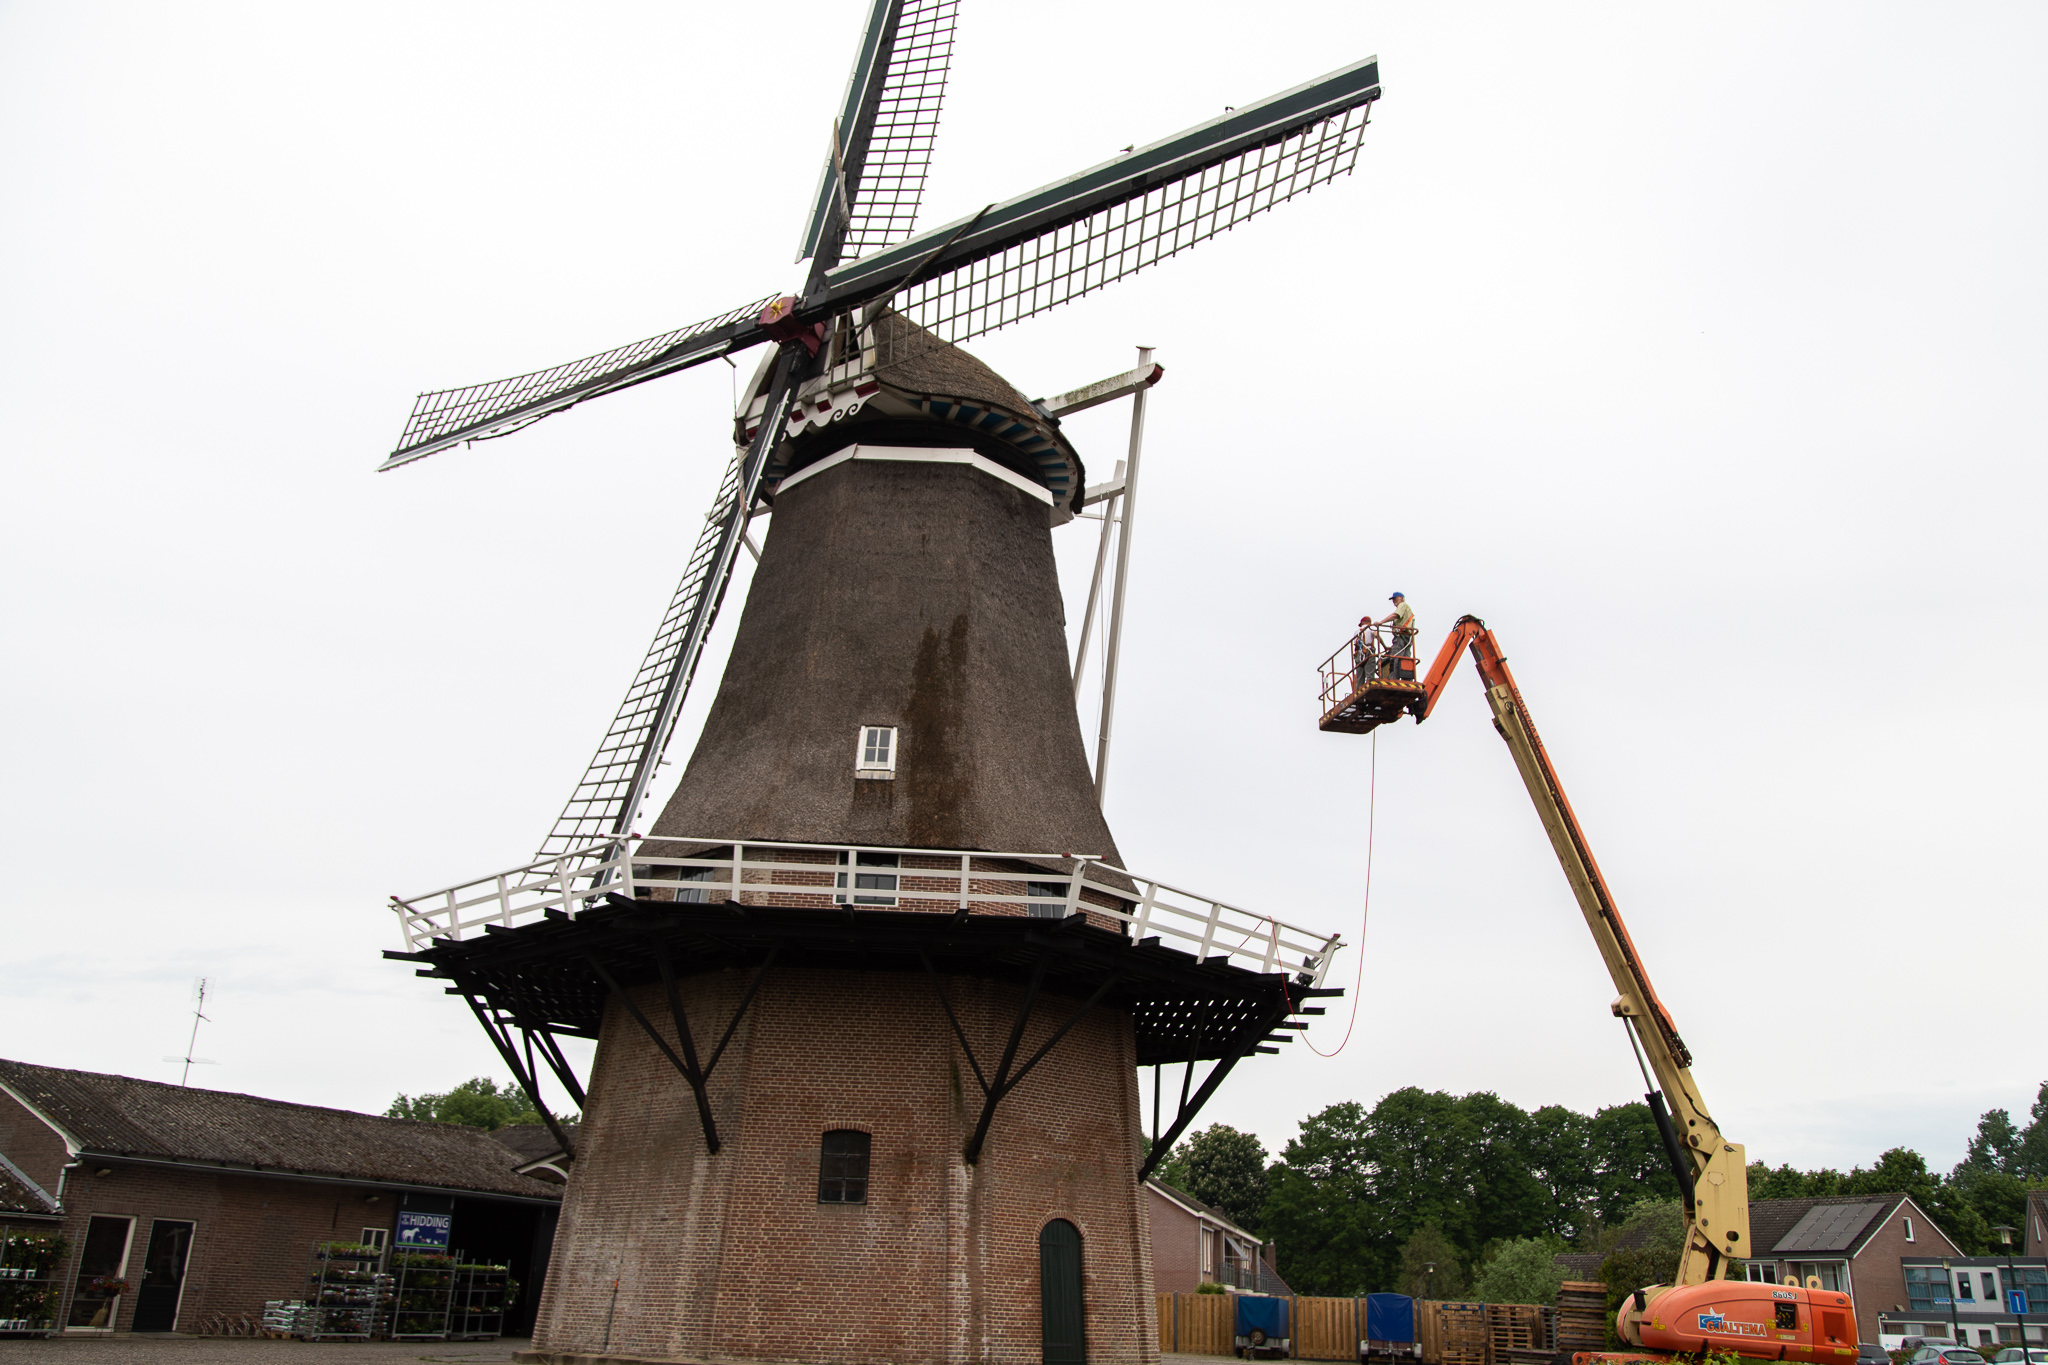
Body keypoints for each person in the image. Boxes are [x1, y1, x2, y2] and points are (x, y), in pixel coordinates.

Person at [1369, 591, 1414, 676]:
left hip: (1401, 636)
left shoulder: (1402, 605)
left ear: (1401, 598)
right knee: (1406, 659)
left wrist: (1381, 622)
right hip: (1407, 637)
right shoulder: (1406, 608)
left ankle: (1394, 678)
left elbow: (1395, 615)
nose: (1394, 601)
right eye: (1393, 600)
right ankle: (1407, 678)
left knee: (1395, 658)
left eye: (1395, 599)